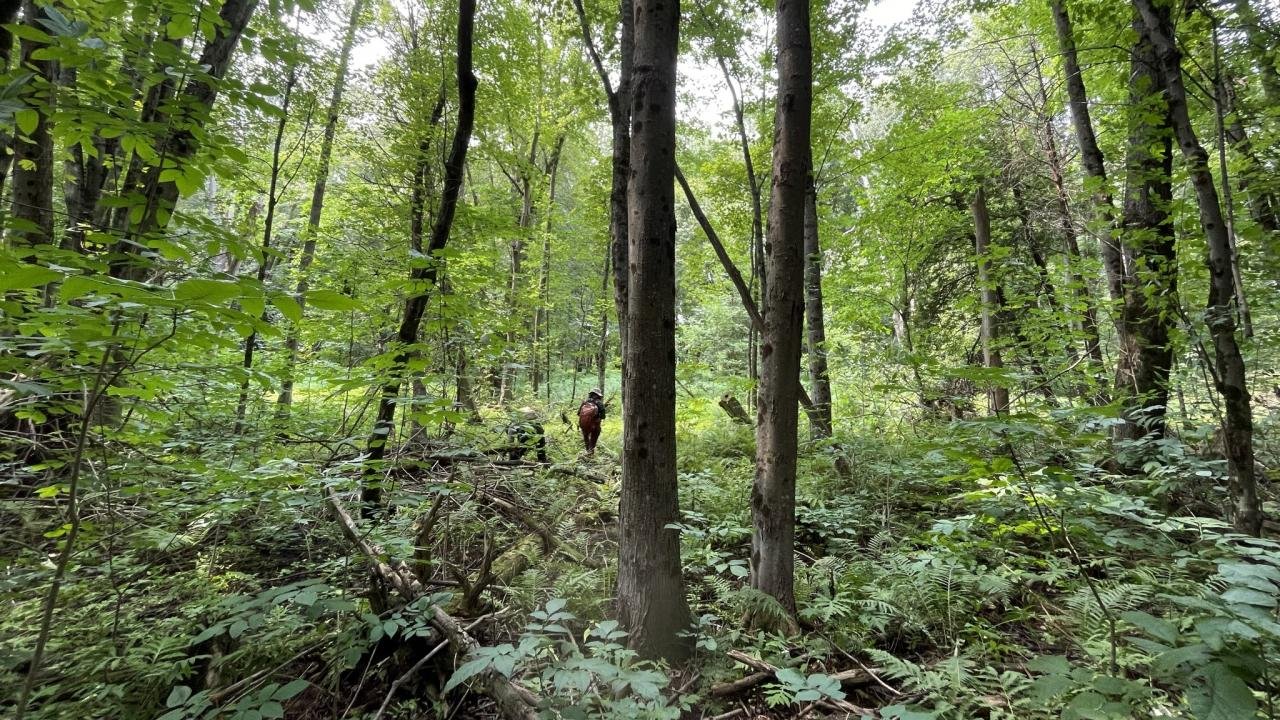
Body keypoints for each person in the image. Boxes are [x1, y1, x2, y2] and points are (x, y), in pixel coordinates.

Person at [578, 389, 606, 454]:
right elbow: (603, 416)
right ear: (598, 395)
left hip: (584, 424)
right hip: (594, 425)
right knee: (595, 434)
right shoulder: (599, 403)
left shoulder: (585, 402)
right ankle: (591, 451)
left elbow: (579, 413)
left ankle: (587, 450)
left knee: (586, 436)